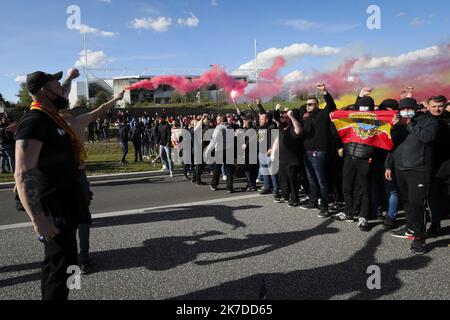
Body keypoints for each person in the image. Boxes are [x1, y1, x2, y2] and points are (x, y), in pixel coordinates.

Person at [14, 70, 88, 300]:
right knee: (62, 265)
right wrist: (38, 219)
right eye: (57, 86)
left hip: (67, 201)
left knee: (59, 262)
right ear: (45, 92)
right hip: (54, 207)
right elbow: (22, 172)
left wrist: (70, 79)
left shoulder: (50, 117)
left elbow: (62, 91)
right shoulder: (35, 121)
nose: (63, 91)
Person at [58, 69, 125, 273]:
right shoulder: (78, 121)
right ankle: (84, 259)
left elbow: (61, 93)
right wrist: (116, 97)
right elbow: (102, 108)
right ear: (67, 105)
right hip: (76, 176)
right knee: (82, 218)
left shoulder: (47, 122)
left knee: (64, 219)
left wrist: (69, 78)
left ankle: (68, 259)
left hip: (58, 177)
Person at [385, 98, 439, 255]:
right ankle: (411, 229)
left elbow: (427, 137)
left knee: (417, 204)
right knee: (407, 202)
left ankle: (419, 238)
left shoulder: (428, 122)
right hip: (400, 168)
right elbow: (391, 146)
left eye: (409, 108)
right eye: (403, 109)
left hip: (419, 169)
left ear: (415, 109)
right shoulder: (398, 124)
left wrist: (409, 124)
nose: (406, 111)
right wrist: (388, 165)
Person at [332, 89, 380, 232]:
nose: (363, 109)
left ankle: (363, 216)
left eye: (367, 107)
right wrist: (334, 121)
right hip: (349, 158)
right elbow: (337, 134)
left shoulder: (378, 121)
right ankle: (348, 213)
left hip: (365, 159)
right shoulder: (351, 120)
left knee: (363, 189)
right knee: (346, 187)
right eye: (361, 106)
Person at [299, 83, 336, 216]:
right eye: (307, 104)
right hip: (306, 152)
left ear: (317, 105)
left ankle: (324, 206)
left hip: (318, 151)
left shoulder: (323, 114)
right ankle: (313, 201)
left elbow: (331, 105)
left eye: (311, 104)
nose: (307, 106)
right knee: (311, 178)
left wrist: (324, 91)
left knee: (321, 179)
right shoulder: (306, 118)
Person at [424, 95, 450, 236]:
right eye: (433, 106)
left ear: (445, 105)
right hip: (430, 164)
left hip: (448, 162)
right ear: (428, 105)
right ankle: (435, 224)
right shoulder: (422, 119)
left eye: (440, 106)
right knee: (433, 196)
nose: (437, 109)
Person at [274, 110, 303, 207]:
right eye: (282, 117)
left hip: (292, 160)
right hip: (282, 160)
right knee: (283, 179)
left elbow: (298, 130)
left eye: (285, 117)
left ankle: (295, 199)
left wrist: (291, 116)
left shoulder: (292, 128)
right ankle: (285, 196)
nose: (282, 119)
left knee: (292, 180)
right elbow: (275, 117)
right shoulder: (282, 129)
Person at [206, 114, 236, 193]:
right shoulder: (230, 128)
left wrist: (208, 150)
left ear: (221, 121)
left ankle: (214, 184)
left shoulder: (218, 128)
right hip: (229, 150)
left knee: (217, 168)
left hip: (219, 150)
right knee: (229, 169)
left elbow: (213, 141)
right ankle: (230, 187)